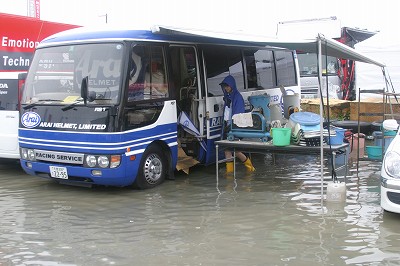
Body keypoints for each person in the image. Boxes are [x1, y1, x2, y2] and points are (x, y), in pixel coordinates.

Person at [220, 75, 255, 173]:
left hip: (234, 127)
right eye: (225, 86)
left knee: (236, 151)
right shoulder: (227, 97)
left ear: (232, 85)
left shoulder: (237, 97)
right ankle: (230, 174)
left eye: (227, 86)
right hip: (227, 127)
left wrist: (233, 128)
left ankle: (250, 167)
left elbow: (238, 115)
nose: (226, 88)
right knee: (227, 150)